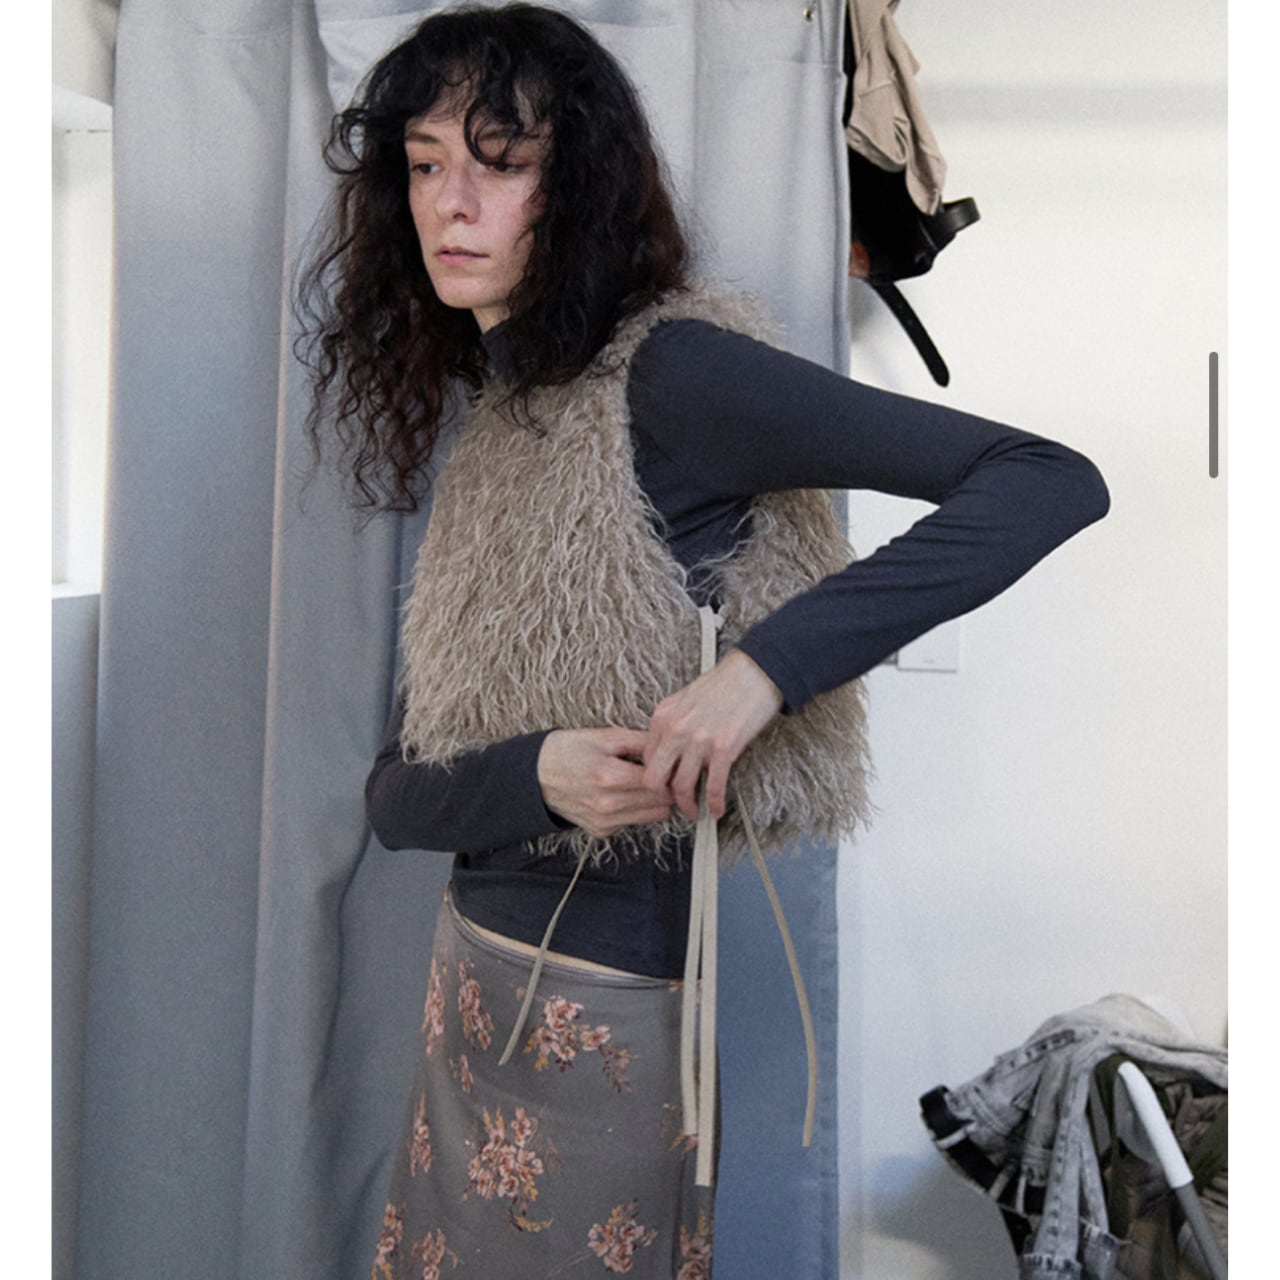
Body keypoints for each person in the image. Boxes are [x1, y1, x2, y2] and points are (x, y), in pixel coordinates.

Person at [297, 5, 1109, 1277]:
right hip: (470, 984)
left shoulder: (672, 378)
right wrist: (537, 774)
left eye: (500, 163)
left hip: (604, 1004)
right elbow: (398, 800)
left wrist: (761, 670)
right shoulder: (499, 420)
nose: (450, 202)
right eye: (423, 163)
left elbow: (1046, 479)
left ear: (575, 186)